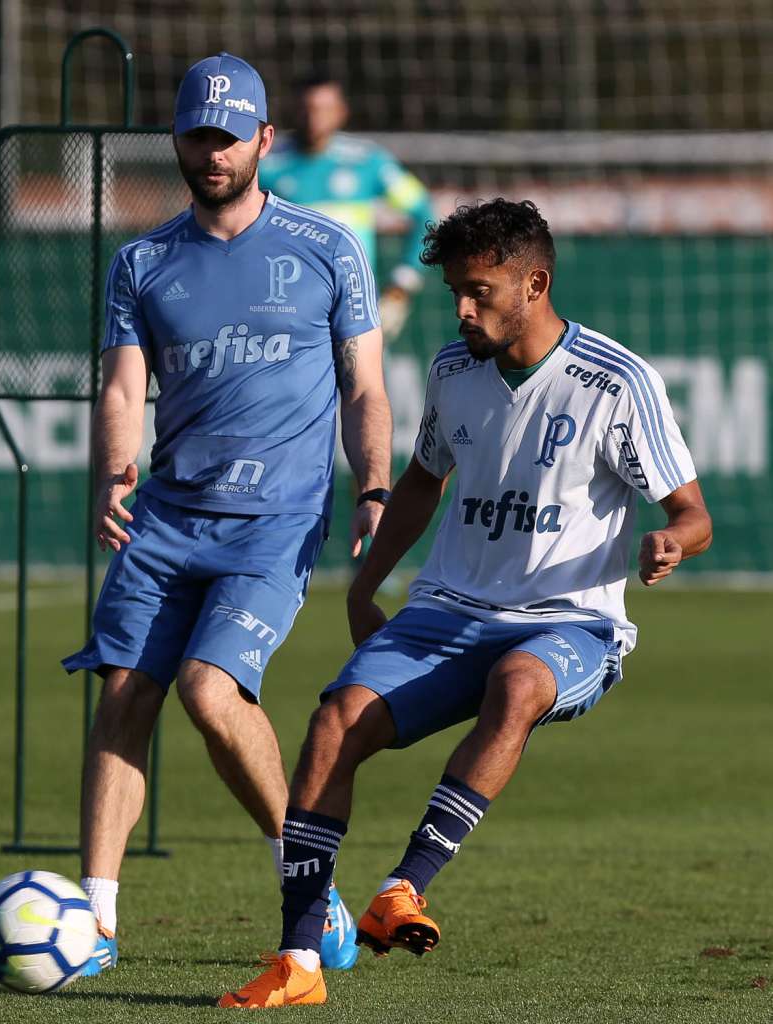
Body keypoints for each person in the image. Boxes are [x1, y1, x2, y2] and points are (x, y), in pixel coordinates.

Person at [219, 198, 713, 1008]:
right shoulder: (455, 368)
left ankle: (404, 886)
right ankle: (298, 963)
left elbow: (693, 514)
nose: (461, 308)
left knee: (517, 683)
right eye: (455, 291)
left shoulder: (617, 383)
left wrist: (672, 541)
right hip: (447, 610)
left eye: (478, 291)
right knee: (334, 721)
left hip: (570, 624)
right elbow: (423, 479)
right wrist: (369, 581)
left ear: (535, 283)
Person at [61, 52, 391, 976]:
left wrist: (371, 485)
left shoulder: (327, 248)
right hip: (165, 518)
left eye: (230, 135)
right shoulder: (143, 260)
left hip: (276, 521)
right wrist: (113, 472)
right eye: (198, 135)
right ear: (178, 139)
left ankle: (307, 884)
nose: (214, 152)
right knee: (124, 697)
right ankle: (94, 921)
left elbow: (365, 387)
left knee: (211, 692)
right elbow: (124, 387)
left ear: (263, 140)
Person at [259, 73, 435, 345]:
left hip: (357, 313)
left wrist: (402, 285)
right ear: (294, 110)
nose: (314, 117)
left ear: (342, 112)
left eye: (323, 109)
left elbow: (424, 214)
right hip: (288, 315)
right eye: (307, 108)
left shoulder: (368, 162)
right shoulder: (268, 166)